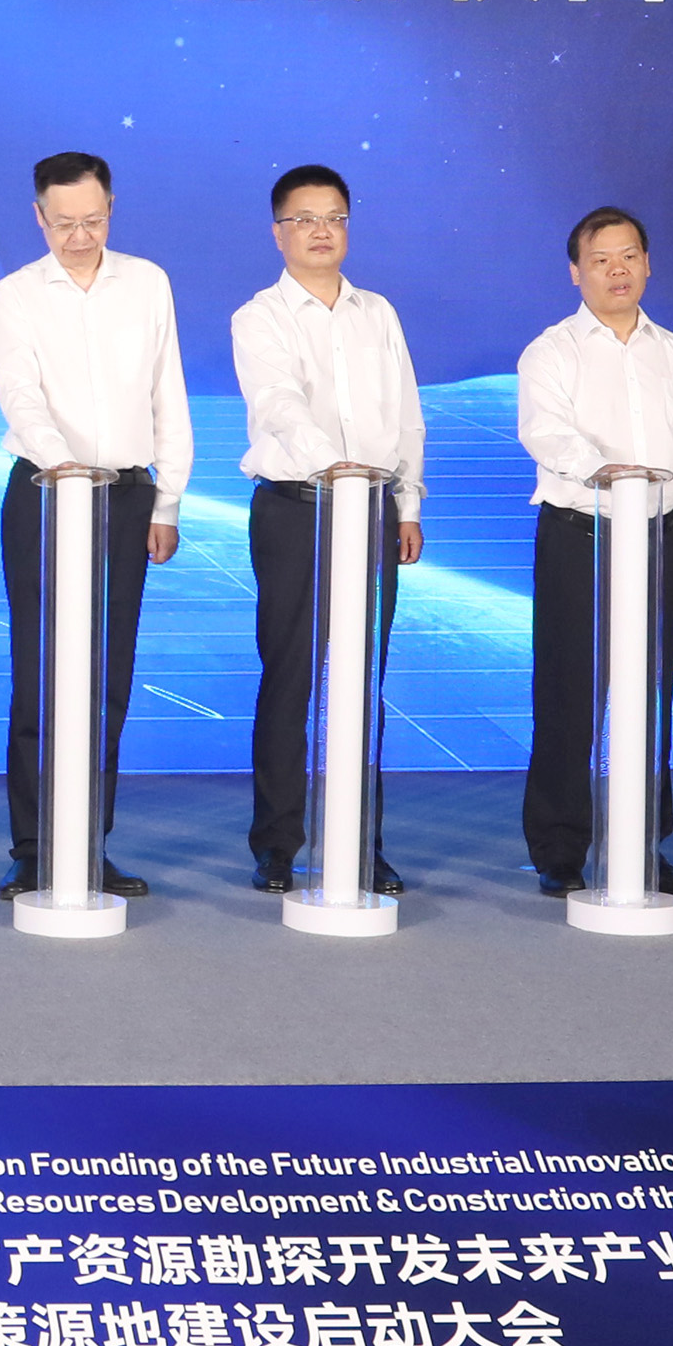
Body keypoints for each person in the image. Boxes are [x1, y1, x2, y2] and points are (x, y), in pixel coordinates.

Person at [0, 149, 190, 898]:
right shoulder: (15, 294)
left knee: (108, 675)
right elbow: (19, 393)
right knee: (40, 672)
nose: (79, 236)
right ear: (39, 216)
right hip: (44, 493)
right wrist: (63, 466)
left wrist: (167, 499)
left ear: (111, 210)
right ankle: (33, 845)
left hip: (127, 497)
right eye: (64, 223)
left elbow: (167, 390)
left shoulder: (147, 282)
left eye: (93, 221)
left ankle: (87, 842)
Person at [231, 163, 422, 895]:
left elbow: (405, 414)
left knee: (362, 679)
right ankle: (277, 842)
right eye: (305, 218)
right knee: (290, 677)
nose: (321, 231)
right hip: (296, 507)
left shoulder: (378, 312)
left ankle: (360, 841)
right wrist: (332, 467)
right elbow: (277, 402)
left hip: (372, 510)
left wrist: (406, 504)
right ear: (278, 231)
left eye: (334, 217)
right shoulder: (259, 316)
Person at [515, 205, 673, 896]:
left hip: (661, 539)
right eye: (600, 260)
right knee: (568, 694)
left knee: (650, 695)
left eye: (629, 256)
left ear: (648, 264)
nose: (617, 270)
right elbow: (545, 434)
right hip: (582, 535)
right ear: (576, 272)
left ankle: (642, 846)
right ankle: (559, 848)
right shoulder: (551, 350)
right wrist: (612, 474)